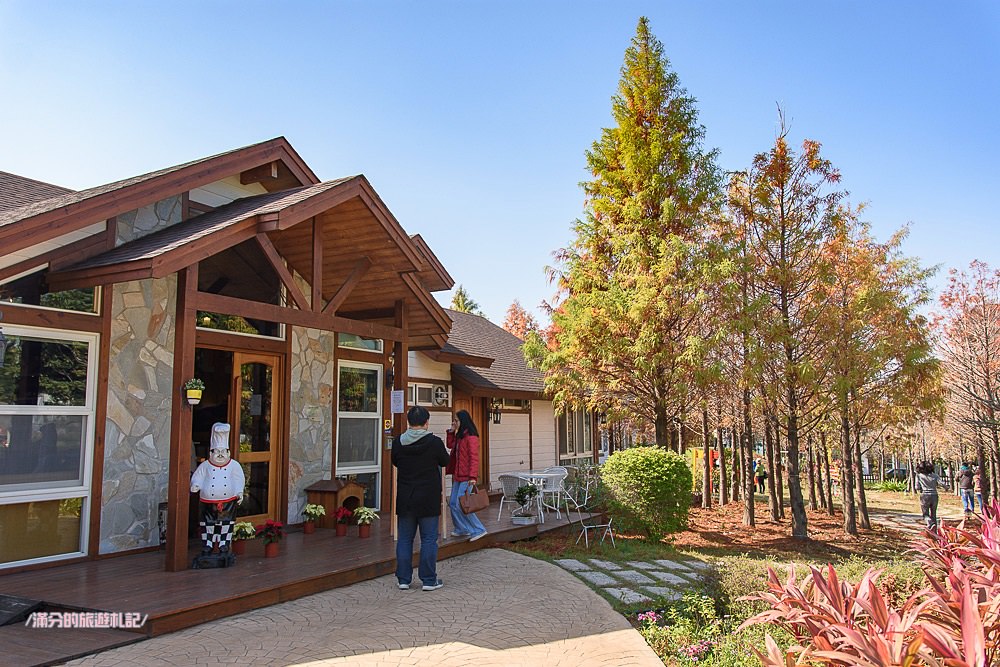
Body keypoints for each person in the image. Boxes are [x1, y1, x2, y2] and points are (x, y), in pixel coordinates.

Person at [392, 405, 449, 592]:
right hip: (428, 497)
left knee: (405, 539)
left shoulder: (398, 442)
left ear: (408, 422)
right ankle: (428, 580)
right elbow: (445, 461)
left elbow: (395, 461)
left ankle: (403, 579)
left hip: (406, 497)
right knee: (429, 539)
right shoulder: (434, 443)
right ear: (426, 422)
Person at [446, 410, 488, 542]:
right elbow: (449, 445)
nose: (454, 422)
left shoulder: (471, 437)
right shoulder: (460, 437)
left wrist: (472, 477)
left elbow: (474, 458)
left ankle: (479, 529)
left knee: (462, 505)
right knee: (452, 503)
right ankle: (461, 528)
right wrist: (451, 431)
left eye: (456, 421)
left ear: (463, 421)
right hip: (458, 476)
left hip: (467, 478)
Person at [915, 460, 940, 532]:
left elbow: (917, 487)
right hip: (935, 495)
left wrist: (921, 488)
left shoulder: (919, 476)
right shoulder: (935, 475)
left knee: (925, 514)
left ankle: (929, 522)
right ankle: (934, 533)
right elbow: (942, 483)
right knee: (934, 514)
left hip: (925, 495)